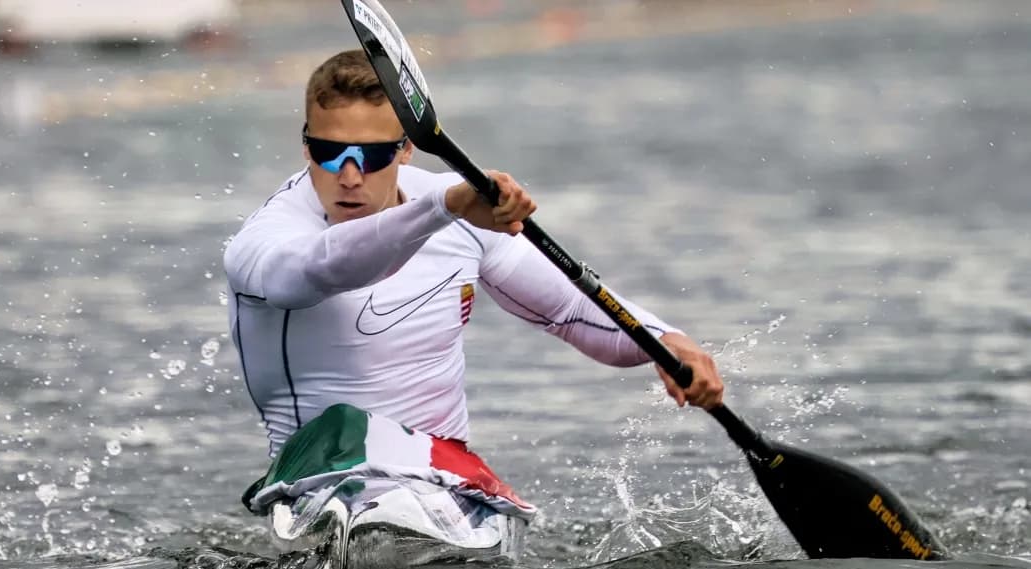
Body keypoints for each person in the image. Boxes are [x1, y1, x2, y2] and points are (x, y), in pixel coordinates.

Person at [223, 49, 725, 516]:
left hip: (442, 470)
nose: (349, 175)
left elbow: (569, 311)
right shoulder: (268, 238)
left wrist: (662, 340)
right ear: (306, 145)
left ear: (405, 152)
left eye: (371, 155)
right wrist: (445, 209)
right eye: (328, 152)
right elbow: (320, 269)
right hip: (314, 474)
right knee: (345, 428)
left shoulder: (459, 207)